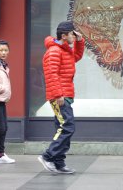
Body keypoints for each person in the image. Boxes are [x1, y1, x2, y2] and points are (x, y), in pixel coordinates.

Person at [37, 20, 85, 174]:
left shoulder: (65, 50)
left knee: (62, 127)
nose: (74, 35)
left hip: (66, 94)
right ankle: (48, 156)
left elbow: (76, 56)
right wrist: (58, 94)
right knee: (67, 126)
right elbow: (51, 75)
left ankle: (59, 162)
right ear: (64, 35)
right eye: (72, 33)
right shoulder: (54, 51)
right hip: (59, 95)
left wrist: (80, 40)